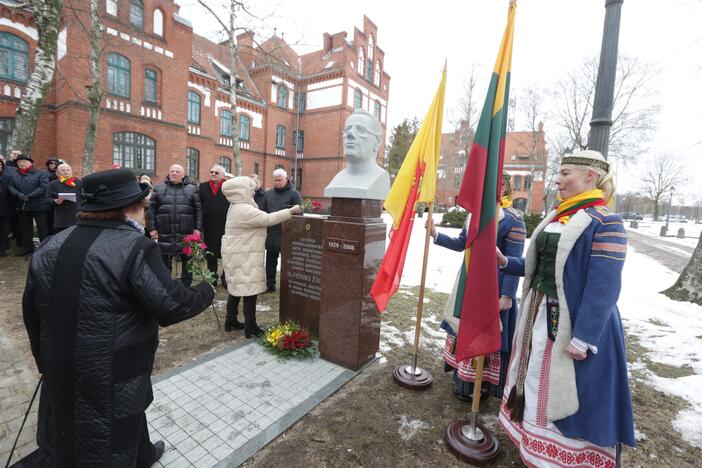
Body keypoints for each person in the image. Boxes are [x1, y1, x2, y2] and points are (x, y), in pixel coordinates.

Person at [22, 168, 215, 467]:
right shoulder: (134, 247)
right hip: (113, 366)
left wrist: (43, 360)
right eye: (144, 207)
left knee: (111, 418)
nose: (145, 213)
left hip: (60, 359)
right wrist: (206, 290)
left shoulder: (50, 244)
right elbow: (171, 305)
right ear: (130, 208)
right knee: (109, 439)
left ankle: (144, 454)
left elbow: (31, 314)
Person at [496, 150, 635, 467]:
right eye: (558, 172)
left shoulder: (606, 222)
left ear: (590, 177)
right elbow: (543, 265)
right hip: (538, 314)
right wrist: (507, 262)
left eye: (565, 173)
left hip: (575, 323)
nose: (557, 179)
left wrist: (585, 335)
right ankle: (534, 446)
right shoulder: (557, 216)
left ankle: (564, 458)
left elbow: (604, 286)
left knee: (568, 390)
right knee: (534, 379)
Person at [430, 174, 525, 402]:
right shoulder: (473, 214)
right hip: (468, 282)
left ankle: (481, 385)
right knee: (465, 329)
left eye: (500, 184)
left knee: (487, 335)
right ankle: (463, 380)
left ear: (505, 189)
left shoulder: (513, 219)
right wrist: (436, 235)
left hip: (495, 286)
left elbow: (514, 258)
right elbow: (462, 243)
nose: (495, 188)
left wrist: (507, 294)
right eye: (491, 183)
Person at [221, 176, 302, 337]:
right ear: (241, 191)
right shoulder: (244, 209)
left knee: (236, 289)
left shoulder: (235, 206)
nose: (253, 192)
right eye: (250, 189)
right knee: (250, 291)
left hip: (238, 253)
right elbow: (267, 219)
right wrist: (291, 211)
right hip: (245, 256)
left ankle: (230, 321)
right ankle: (250, 327)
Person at [148, 164, 203, 286]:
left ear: (183, 175)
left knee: (187, 261)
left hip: (186, 232)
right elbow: (151, 210)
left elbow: (198, 210)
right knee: (164, 261)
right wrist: (152, 229)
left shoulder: (192, 189)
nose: (174, 173)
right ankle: (166, 285)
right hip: (164, 231)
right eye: (172, 171)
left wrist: (198, 229)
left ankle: (186, 286)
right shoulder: (159, 188)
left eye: (177, 171)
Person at [323, 109, 390, 200]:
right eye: (347, 129)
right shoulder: (337, 179)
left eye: (361, 130)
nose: (350, 134)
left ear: (378, 141)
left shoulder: (380, 178)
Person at [262, 168, 303, 292]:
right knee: (270, 261)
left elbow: (300, 212)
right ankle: (270, 284)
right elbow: (263, 211)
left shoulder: (294, 194)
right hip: (271, 233)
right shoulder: (268, 194)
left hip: (287, 234)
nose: (277, 182)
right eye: (275, 180)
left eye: (280, 180)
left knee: (288, 262)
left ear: (286, 179)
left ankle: (288, 286)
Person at [6, 153, 50, 255]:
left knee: (42, 228)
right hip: (23, 205)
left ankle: (45, 248)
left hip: (39, 205)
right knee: (25, 228)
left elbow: (44, 187)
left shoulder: (41, 173)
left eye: (24, 162)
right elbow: (10, 187)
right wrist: (19, 195)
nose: (22, 163)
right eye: (19, 162)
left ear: (30, 163)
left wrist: (29, 196)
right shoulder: (13, 175)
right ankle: (27, 247)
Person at [198, 164, 229, 288]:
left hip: (225, 225)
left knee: (226, 253)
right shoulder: (203, 187)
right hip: (209, 225)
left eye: (216, 172)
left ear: (222, 175)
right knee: (210, 253)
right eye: (211, 172)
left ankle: (226, 277)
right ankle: (212, 277)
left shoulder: (228, 186)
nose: (213, 174)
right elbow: (199, 205)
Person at [46, 163, 82, 233]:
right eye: (63, 170)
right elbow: (47, 199)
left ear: (71, 171)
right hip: (60, 216)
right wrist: (55, 201)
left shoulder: (79, 183)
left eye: (68, 170)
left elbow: (84, 197)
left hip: (76, 215)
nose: (66, 171)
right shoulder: (53, 184)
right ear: (58, 172)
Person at [0, 158, 11, 255]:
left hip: (4, 207)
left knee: (4, 229)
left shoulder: (7, 177)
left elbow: (10, 190)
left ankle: (2, 248)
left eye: (0, 165)